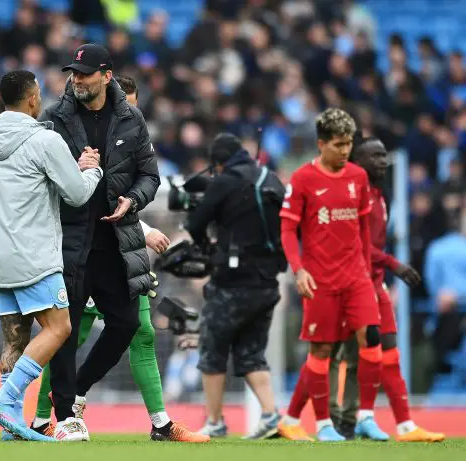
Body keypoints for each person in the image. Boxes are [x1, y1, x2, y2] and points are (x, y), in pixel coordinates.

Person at [31, 75, 208, 442]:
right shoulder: (64, 121)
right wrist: (144, 229)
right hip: (76, 246)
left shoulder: (132, 125)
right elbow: (75, 188)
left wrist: (136, 219)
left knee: (136, 330)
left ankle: (156, 421)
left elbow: (137, 182)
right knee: (65, 332)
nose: (126, 110)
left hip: (120, 249)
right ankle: (45, 417)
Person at [0, 69, 102, 442]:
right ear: (32, 98)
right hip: (33, 257)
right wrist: (92, 170)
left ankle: (10, 426)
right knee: (60, 328)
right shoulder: (45, 140)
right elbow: (76, 194)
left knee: (15, 339)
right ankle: (4, 398)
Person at [38, 44, 160, 441]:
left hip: (114, 242)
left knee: (125, 323)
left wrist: (134, 199)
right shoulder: (54, 118)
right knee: (65, 331)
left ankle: (76, 393)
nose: (77, 79)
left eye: (85, 73)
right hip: (67, 240)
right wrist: (70, 173)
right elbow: (34, 175)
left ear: (107, 76)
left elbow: (150, 176)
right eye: (74, 73)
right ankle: (65, 418)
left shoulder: (131, 118)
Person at [277, 108, 386, 442]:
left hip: (356, 277)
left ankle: (366, 416)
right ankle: (323, 424)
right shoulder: (302, 179)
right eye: (338, 144)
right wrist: (299, 271)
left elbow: (363, 229)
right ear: (321, 144)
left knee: (372, 339)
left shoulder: (358, 177)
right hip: (320, 281)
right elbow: (287, 231)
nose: (345, 150)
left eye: (349, 143)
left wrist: (367, 271)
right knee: (322, 352)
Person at [329, 135, 444, 442]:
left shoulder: (382, 194)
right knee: (330, 354)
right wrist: (396, 264)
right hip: (349, 283)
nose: (382, 161)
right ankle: (309, 419)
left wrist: (386, 272)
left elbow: (374, 244)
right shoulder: (351, 196)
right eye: (375, 156)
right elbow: (356, 245)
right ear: (357, 162)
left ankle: (399, 423)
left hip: (373, 283)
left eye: (383, 156)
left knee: (386, 351)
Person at [180, 133, 287, 439]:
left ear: (218, 162)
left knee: (212, 351)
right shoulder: (272, 180)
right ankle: (270, 416)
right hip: (268, 283)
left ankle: (214, 421)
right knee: (252, 353)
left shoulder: (225, 181)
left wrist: (206, 242)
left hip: (232, 283)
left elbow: (194, 223)